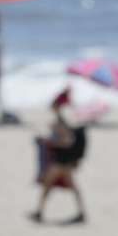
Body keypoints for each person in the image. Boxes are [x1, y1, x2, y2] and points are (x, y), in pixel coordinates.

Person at [30, 87, 87, 224]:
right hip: (64, 160)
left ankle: (39, 212)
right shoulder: (65, 120)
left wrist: (50, 142)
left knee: (48, 185)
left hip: (60, 161)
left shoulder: (62, 122)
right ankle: (81, 213)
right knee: (69, 187)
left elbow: (67, 141)